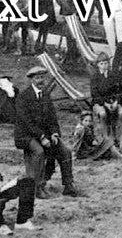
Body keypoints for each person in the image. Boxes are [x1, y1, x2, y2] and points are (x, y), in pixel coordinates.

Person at [14, 65, 79, 198]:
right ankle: (38, 187)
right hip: (25, 135)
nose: (41, 80)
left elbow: (52, 118)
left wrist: (55, 133)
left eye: (42, 77)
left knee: (65, 151)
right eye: (37, 78)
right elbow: (27, 122)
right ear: (32, 80)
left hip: (44, 134)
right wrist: (42, 137)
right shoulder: (23, 97)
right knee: (39, 151)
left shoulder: (45, 96)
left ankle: (68, 184)